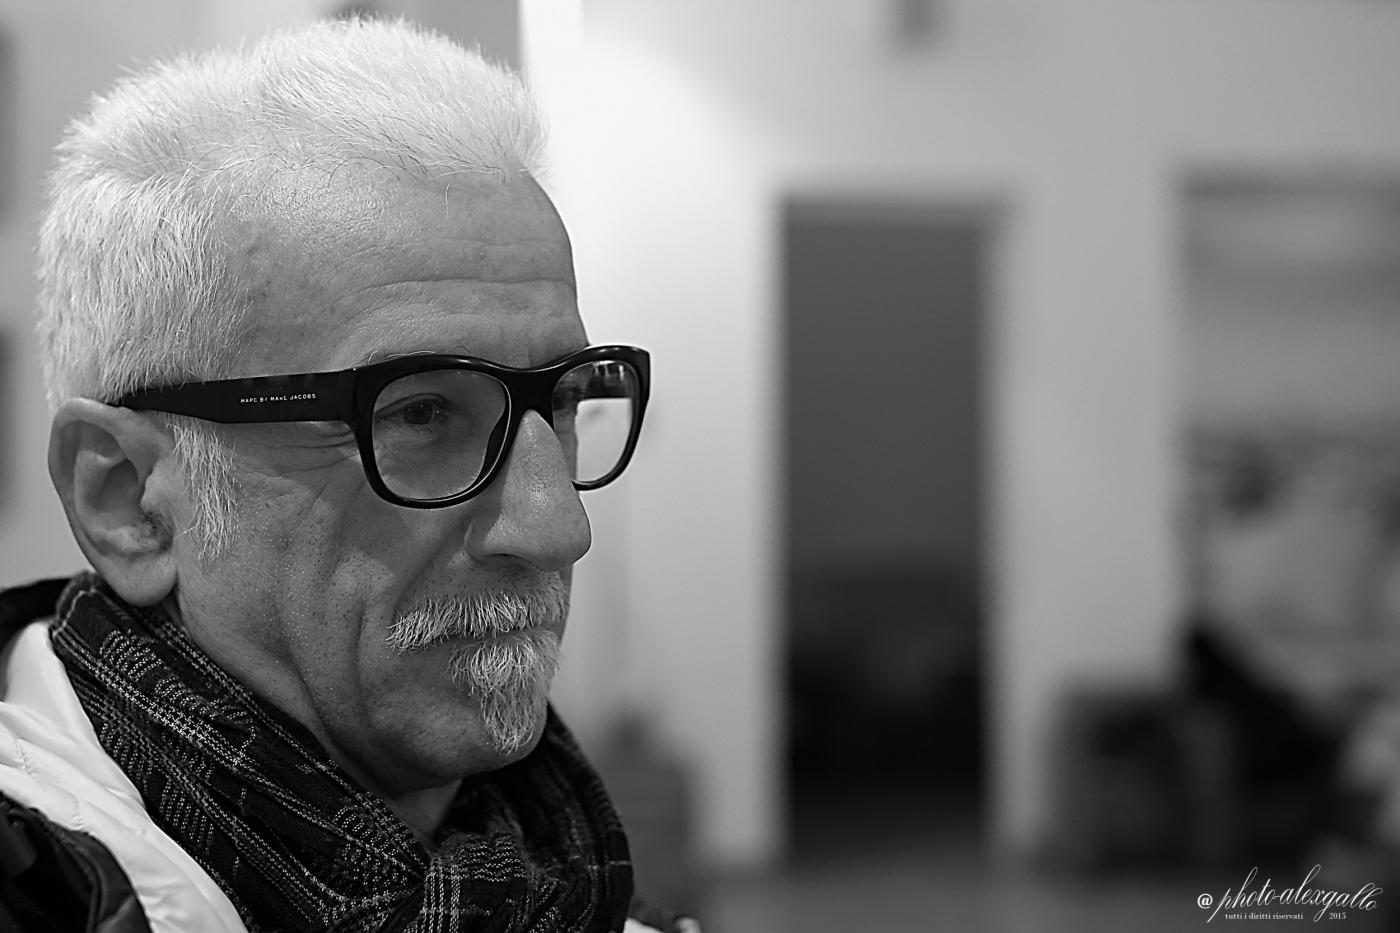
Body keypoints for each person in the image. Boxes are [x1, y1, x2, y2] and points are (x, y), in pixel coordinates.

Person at [0, 17, 693, 933]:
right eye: (421, 413)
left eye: (561, 403)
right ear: (127, 499)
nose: (557, 525)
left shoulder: (572, 897)